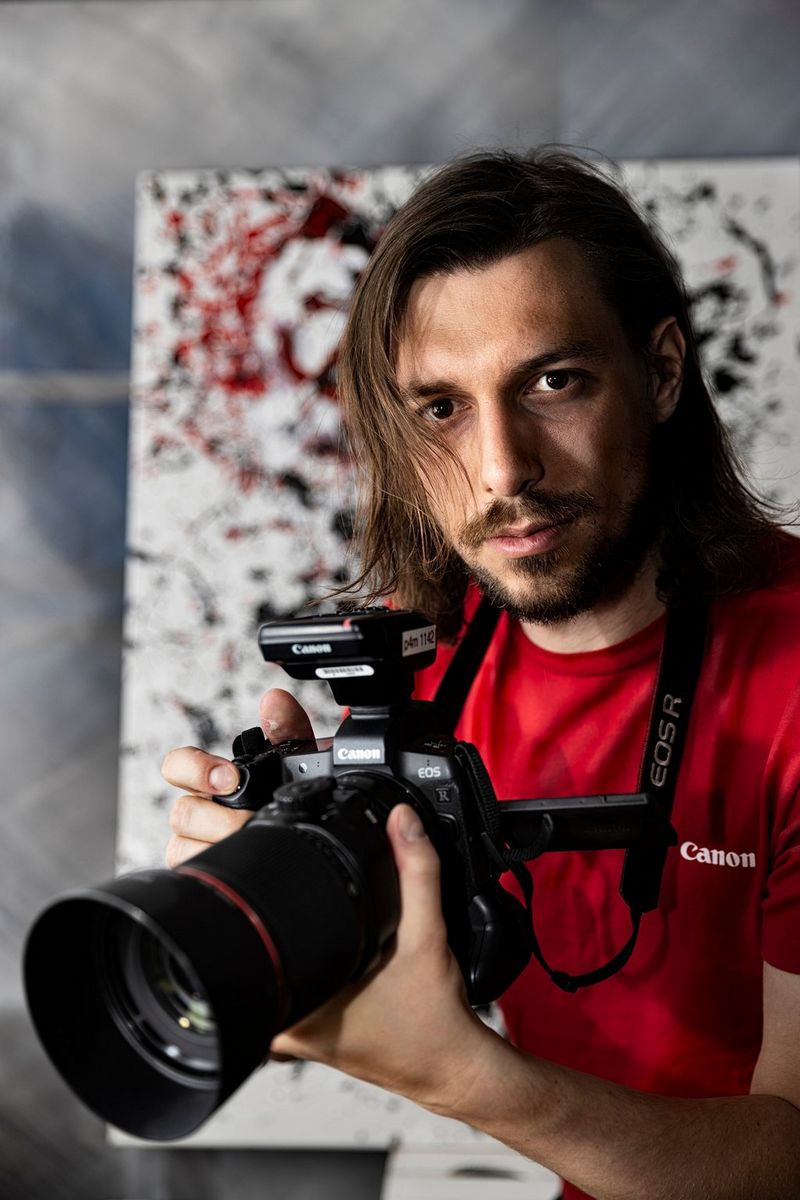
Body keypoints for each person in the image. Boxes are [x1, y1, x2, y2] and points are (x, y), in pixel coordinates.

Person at [161, 151, 800, 1200]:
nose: (503, 470)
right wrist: (271, 888)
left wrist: (463, 1079)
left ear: (661, 374)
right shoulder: (425, 664)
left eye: (553, 382)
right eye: (440, 409)